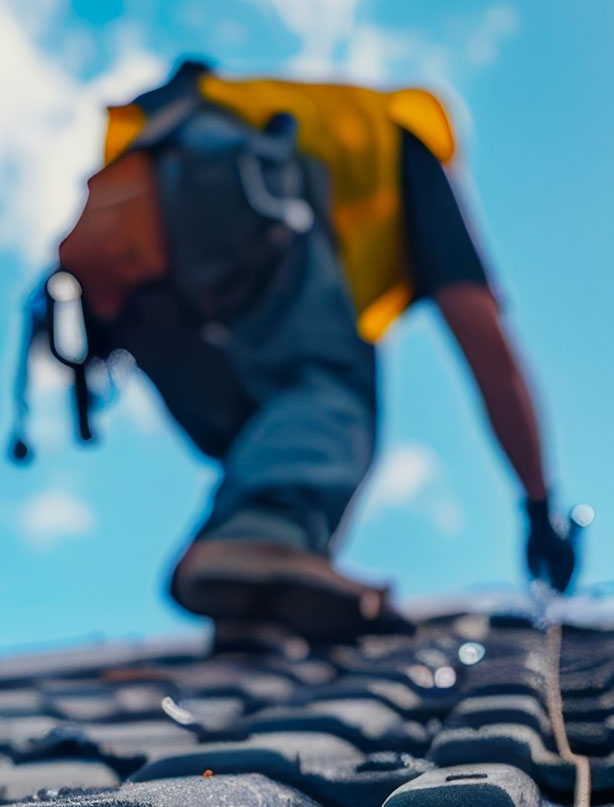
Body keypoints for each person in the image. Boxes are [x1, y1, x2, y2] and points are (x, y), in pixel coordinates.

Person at [12, 59, 576, 644]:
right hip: (219, 184)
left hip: (122, 260)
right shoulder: (407, 154)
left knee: (263, 429)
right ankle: (265, 535)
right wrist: (539, 506)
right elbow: (486, 344)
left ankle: (252, 599)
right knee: (328, 381)